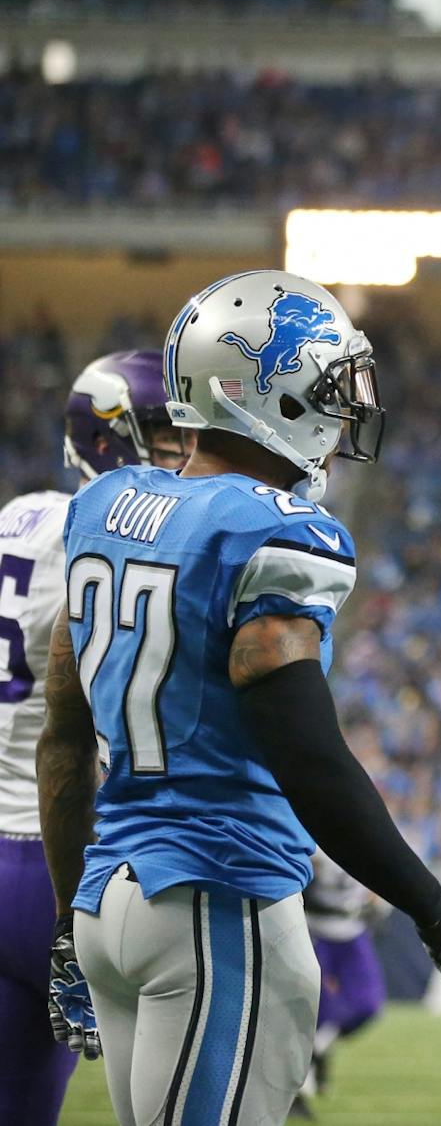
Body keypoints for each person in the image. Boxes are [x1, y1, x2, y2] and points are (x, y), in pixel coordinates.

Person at [38, 270, 441, 1126]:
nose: (343, 410)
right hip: (219, 898)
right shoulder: (274, 531)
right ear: (266, 392)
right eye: (327, 388)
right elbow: (308, 755)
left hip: (110, 900)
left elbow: (64, 741)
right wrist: (434, 909)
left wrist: (69, 919)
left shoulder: (103, 504)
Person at [0, 352, 187, 1125]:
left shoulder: (17, 514)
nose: (183, 452)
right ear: (112, 436)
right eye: (166, 435)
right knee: (177, 1101)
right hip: (67, 860)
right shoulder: (118, 541)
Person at [298, 850, 386, 1112]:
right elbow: (301, 890)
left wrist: (373, 907)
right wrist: (342, 907)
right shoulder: (313, 833)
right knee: (309, 1014)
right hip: (313, 931)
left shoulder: (366, 829)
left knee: (368, 1005)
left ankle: (320, 1047)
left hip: (352, 933)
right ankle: (298, 1092)